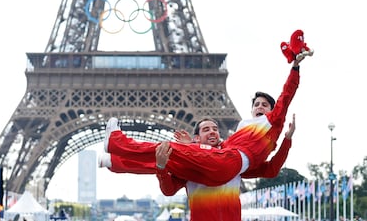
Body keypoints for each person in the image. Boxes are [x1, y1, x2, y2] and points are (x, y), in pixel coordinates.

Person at [101, 56, 303, 187]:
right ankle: (116, 162)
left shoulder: (272, 122)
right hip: (221, 166)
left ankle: (117, 143)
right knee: (169, 161)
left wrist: (295, 66)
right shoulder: (242, 132)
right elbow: (217, 150)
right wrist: (193, 146)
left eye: (265, 105)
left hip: (228, 162)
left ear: (272, 110)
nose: (260, 107)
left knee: (169, 148)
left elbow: (286, 95)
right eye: (257, 104)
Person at [154, 114, 295, 221]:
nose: (212, 132)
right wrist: (161, 167)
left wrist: (287, 140)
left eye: (215, 129)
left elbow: (271, 169)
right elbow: (169, 191)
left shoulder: (235, 162)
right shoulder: (189, 166)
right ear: (197, 138)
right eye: (206, 129)